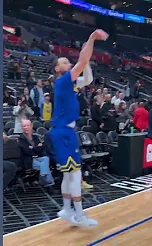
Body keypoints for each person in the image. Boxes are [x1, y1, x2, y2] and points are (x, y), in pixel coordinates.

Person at [51, 28, 109, 228]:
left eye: (69, 61)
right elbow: (82, 62)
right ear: (58, 69)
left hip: (62, 131)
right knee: (75, 174)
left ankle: (67, 210)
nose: (68, 63)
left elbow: (89, 79)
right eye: (64, 62)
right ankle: (80, 214)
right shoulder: (63, 81)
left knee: (69, 174)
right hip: (64, 132)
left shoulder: (67, 84)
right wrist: (92, 38)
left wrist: (87, 62)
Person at [18, 119, 55, 192]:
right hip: (28, 160)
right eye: (24, 126)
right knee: (44, 166)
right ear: (22, 128)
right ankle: (49, 185)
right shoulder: (21, 139)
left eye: (27, 126)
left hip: (38, 158)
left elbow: (41, 149)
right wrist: (36, 148)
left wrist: (33, 148)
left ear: (31, 127)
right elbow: (27, 151)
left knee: (46, 159)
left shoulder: (35, 137)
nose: (26, 127)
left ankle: (43, 175)